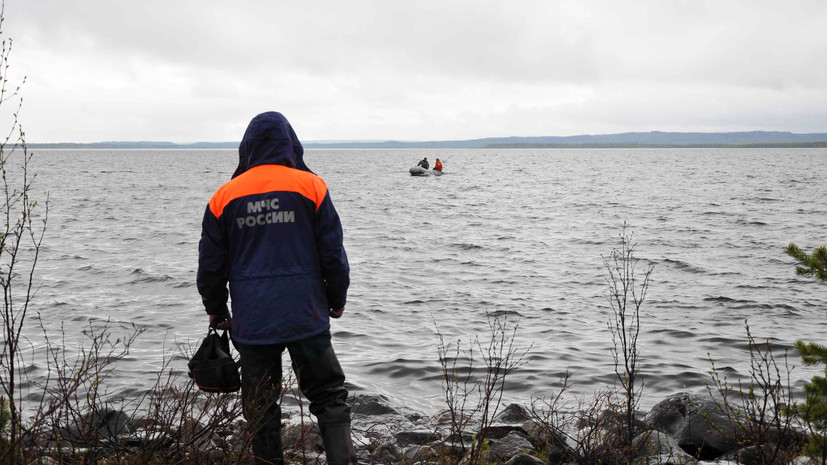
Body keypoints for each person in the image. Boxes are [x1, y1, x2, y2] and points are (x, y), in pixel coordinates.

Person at [197, 111, 356, 465]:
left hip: (254, 321)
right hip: (306, 314)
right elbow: (333, 252)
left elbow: (210, 264)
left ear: (247, 148)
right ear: (291, 144)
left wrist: (215, 307)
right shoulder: (312, 187)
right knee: (329, 396)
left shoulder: (224, 196)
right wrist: (337, 298)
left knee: (260, 405)